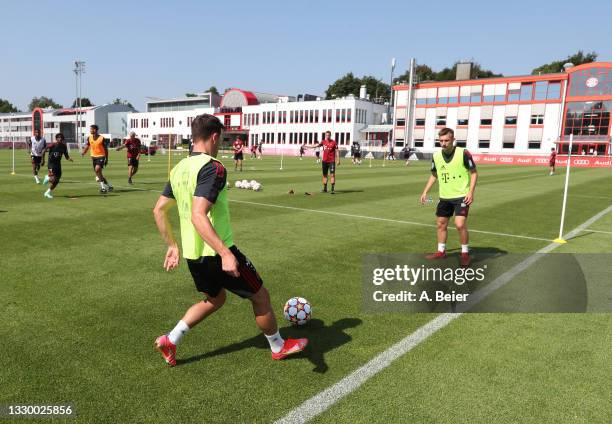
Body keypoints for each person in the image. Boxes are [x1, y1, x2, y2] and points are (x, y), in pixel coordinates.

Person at [152, 114, 308, 366]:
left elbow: (159, 209)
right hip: (216, 252)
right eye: (220, 138)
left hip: (194, 255)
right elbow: (197, 214)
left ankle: (171, 339)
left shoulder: (179, 168)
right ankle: (278, 346)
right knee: (260, 296)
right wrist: (225, 253)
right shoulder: (213, 167)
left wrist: (172, 245)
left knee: (216, 299)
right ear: (215, 136)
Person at [419, 128, 477, 267]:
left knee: (460, 224)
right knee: (441, 224)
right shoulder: (436, 156)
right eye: (441, 141)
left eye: (446, 140)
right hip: (444, 197)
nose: (443, 143)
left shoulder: (463, 153)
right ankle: (441, 251)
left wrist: (470, 192)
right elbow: (434, 174)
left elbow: (474, 173)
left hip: (461, 196)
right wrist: (425, 191)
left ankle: (464, 254)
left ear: (453, 140)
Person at [81, 125, 113, 193]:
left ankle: (103, 188)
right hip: (93, 157)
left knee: (97, 169)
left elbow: (106, 149)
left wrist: (106, 159)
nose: (90, 130)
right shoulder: (89, 138)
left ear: (95, 130)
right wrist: (84, 152)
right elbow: (87, 146)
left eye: (91, 129)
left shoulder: (102, 138)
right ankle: (109, 186)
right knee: (99, 174)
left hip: (101, 156)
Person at [41, 133, 73, 198]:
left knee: (57, 181)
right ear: (56, 139)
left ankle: (47, 193)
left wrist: (69, 159)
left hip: (58, 164)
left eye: (61, 138)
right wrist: (43, 160)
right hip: (51, 164)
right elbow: (44, 150)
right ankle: (47, 177)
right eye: (58, 137)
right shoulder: (53, 145)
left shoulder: (64, 146)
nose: (60, 139)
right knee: (53, 179)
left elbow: (66, 156)